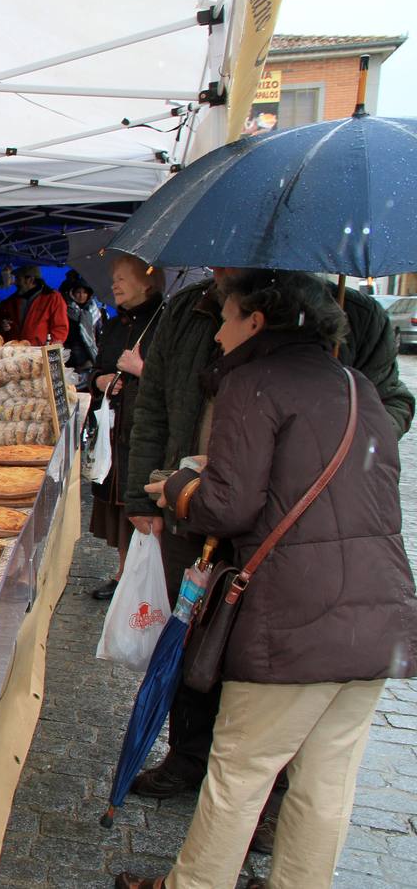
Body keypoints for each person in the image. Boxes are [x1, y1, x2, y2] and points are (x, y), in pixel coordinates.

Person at [114, 269, 416, 889]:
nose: (217, 333)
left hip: (294, 616)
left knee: (240, 769)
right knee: (326, 778)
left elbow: (228, 507)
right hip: (378, 613)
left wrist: (177, 485)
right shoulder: (357, 385)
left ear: (257, 321)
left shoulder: (253, 383)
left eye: (225, 318)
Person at [88, 253, 163, 601]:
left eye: (122, 277)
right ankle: (122, 575)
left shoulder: (165, 322)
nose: (114, 284)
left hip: (147, 433)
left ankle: (145, 581)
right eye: (113, 278)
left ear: (147, 282)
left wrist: (141, 369)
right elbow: (98, 369)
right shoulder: (115, 326)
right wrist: (100, 380)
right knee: (119, 507)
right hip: (115, 430)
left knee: (143, 506)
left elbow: (178, 382)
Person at [0, 264, 69, 345]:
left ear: (30, 280)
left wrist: (49, 352)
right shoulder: (10, 302)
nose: (15, 283)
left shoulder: (53, 298)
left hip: (40, 353)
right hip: (15, 352)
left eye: (18, 279)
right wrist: (3, 325)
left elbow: (60, 329)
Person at [63, 276, 104, 376]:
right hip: (70, 356)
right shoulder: (66, 310)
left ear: (89, 294)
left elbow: (99, 335)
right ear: (72, 293)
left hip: (88, 357)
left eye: (85, 292)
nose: (81, 295)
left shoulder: (94, 312)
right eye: (78, 292)